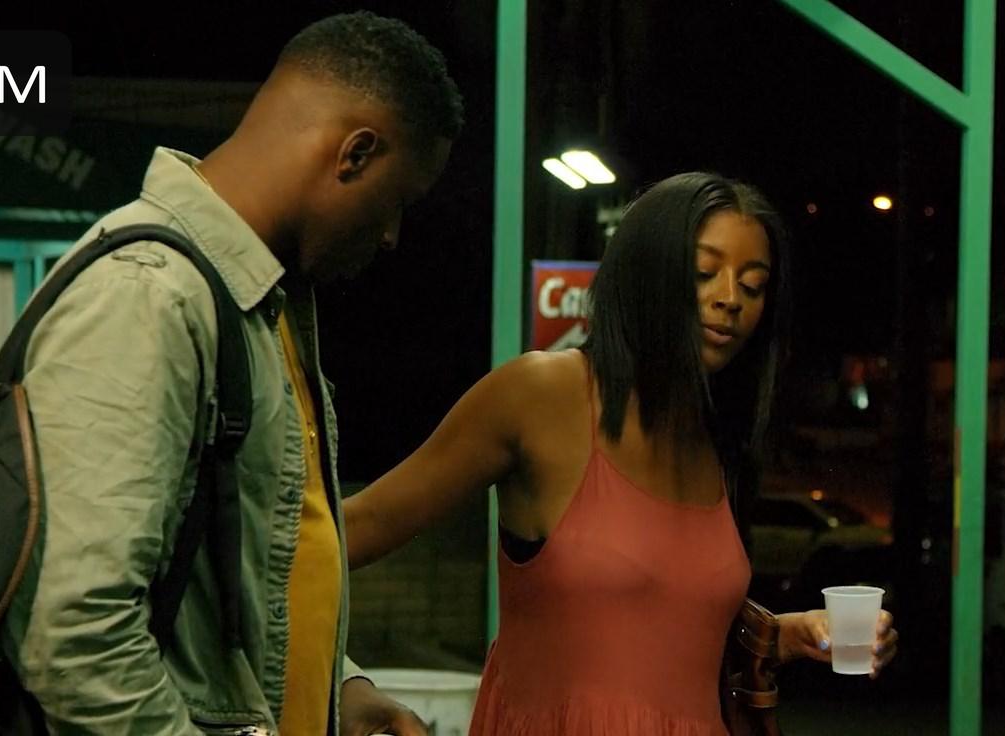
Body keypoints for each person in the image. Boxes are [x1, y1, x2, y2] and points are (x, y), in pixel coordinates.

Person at [3, 12, 462, 736]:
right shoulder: (148, 296)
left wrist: (338, 689)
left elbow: (241, 584)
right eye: (397, 201)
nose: (390, 235)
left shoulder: (254, 305)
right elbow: (75, 636)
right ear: (355, 153)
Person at [343, 172, 899, 735]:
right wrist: (343, 683)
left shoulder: (715, 436)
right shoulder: (542, 395)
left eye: (753, 285)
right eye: (703, 272)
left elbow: (664, 623)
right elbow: (350, 531)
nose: (730, 298)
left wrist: (786, 634)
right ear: (642, 273)